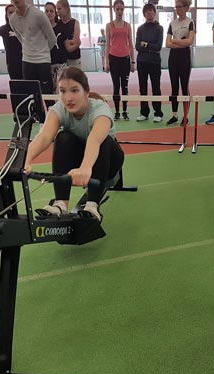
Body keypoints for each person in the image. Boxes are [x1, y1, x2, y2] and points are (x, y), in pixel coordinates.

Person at [24, 67, 125, 222]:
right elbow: (44, 137)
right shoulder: (59, 109)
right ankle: (61, 204)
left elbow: (94, 140)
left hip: (110, 161)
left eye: (74, 90)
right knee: (63, 137)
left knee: (104, 141)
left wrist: (85, 168)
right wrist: (25, 161)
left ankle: (92, 206)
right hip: (84, 159)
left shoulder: (99, 109)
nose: (68, 98)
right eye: (62, 91)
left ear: (86, 92)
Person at [9, 0, 57, 98]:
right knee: (30, 96)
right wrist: (29, 50)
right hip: (27, 61)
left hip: (43, 61)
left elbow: (52, 39)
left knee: (47, 95)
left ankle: (50, 108)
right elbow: (21, 39)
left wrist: (42, 51)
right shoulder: (12, 19)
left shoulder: (38, 15)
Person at [165, 0, 195, 126]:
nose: (177, 9)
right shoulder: (172, 23)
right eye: (176, 7)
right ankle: (174, 115)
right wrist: (181, 42)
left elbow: (190, 41)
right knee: (174, 87)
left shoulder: (190, 22)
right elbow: (167, 44)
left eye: (179, 7)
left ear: (186, 7)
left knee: (184, 87)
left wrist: (175, 41)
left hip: (185, 57)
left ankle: (185, 116)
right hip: (173, 57)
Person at [105, 0, 135, 121]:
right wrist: (106, 62)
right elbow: (107, 45)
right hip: (113, 59)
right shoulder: (109, 25)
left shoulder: (127, 26)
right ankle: (117, 112)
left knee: (125, 87)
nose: (119, 11)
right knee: (116, 86)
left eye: (121, 9)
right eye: (117, 9)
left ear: (124, 10)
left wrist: (133, 62)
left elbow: (131, 44)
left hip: (125, 59)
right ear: (114, 9)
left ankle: (125, 111)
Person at [135, 3, 164, 123]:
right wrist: (149, 47)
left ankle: (158, 113)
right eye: (146, 11)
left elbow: (158, 46)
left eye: (151, 10)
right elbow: (137, 46)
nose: (149, 12)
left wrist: (146, 44)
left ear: (154, 12)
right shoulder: (140, 29)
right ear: (144, 14)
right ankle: (144, 112)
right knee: (142, 88)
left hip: (155, 61)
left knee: (156, 87)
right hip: (141, 61)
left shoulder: (159, 28)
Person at [0, 4, 23, 80]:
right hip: (12, 62)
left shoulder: (23, 27)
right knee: (15, 82)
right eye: (10, 12)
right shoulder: (3, 29)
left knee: (28, 82)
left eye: (14, 12)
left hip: (25, 60)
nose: (13, 15)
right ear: (7, 15)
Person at [45, 2, 65, 93]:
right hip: (47, 63)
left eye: (51, 11)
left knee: (61, 89)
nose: (49, 13)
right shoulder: (41, 29)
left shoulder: (61, 27)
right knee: (49, 90)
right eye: (46, 11)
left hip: (60, 63)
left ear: (55, 13)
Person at [56, 0, 81, 69]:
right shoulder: (57, 23)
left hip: (74, 56)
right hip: (61, 58)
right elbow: (57, 41)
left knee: (75, 75)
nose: (57, 11)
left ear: (66, 9)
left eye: (59, 9)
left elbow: (76, 41)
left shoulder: (75, 22)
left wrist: (63, 41)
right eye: (57, 9)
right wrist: (68, 41)